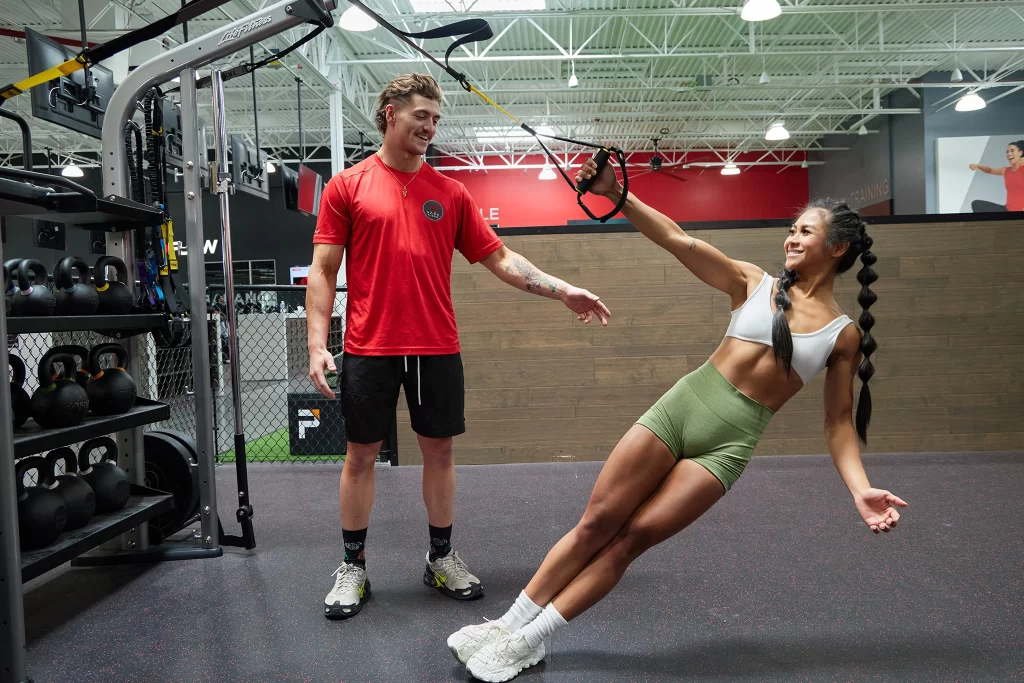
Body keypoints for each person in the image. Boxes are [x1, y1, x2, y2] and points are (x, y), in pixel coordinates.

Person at [447, 156, 909, 682]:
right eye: (791, 229)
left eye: (805, 231)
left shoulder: (842, 335)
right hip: (682, 408)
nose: (791, 239)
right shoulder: (752, 282)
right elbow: (676, 239)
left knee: (629, 540)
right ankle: (507, 624)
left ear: (839, 247)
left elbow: (838, 423)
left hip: (727, 446)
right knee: (597, 522)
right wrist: (616, 195)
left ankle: (528, 642)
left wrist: (859, 489)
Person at [306, 73, 613, 620]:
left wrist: (562, 289)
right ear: (390, 114)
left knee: (440, 452)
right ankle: (353, 565)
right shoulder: (347, 187)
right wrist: (316, 344)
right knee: (360, 455)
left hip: (434, 345)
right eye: (421, 115)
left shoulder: (450, 193)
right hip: (369, 346)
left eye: (435, 118)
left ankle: (441, 557)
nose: (430, 126)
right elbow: (324, 270)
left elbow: (500, 259)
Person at [969, 140, 1024, 212]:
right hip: (1007, 210)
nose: (1009, 154)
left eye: (1012, 151)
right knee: (976, 204)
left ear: (1020, 153)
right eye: (1007, 152)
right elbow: (990, 170)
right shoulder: (1006, 170)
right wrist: (978, 166)